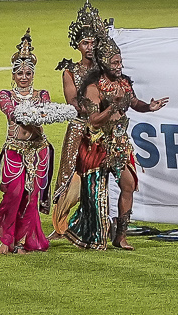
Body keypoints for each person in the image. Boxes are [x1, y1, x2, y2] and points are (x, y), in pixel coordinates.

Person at [72, 27, 169, 251]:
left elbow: (134, 103)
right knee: (95, 193)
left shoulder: (124, 83)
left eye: (120, 62)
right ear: (104, 63)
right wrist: (113, 106)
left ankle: (121, 236)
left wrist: (149, 107)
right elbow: (94, 121)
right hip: (97, 145)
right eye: (115, 63)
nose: (119, 66)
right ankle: (94, 236)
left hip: (120, 143)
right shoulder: (93, 88)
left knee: (128, 185)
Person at [0, 31, 61, 255]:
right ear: (13, 75)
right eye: (19, 73)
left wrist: (38, 117)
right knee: (13, 194)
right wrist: (30, 116)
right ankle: (7, 237)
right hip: (15, 150)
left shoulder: (42, 95)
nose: (24, 77)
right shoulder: (5, 95)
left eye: (28, 73)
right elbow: (11, 113)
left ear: (33, 74)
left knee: (31, 197)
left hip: (38, 151)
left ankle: (23, 241)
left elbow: (44, 114)